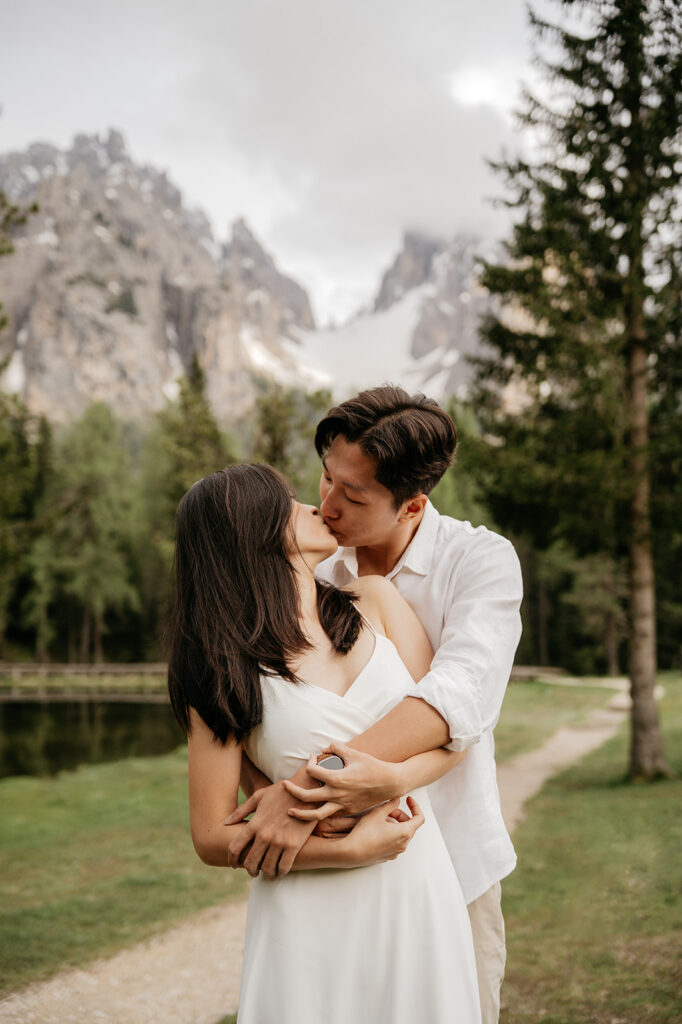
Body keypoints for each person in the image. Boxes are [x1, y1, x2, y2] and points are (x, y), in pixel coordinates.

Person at [228, 386, 523, 1024]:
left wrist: (303, 790)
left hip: (452, 870)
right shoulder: (309, 568)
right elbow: (254, 713)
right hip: (327, 874)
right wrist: (273, 791)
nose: (326, 506)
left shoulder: (479, 562)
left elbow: (450, 703)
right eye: (326, 480)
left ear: (412, 504)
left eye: (353, 495)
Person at [167, 463, 482, 1024]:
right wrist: (348, 851)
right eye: (284, 503)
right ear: (250, 531)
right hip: (307, 911)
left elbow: (457, 730)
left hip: (416, 885)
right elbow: (213, 836)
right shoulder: (221, 667)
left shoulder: (376, 601)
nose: (313, 506)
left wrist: (396, 780)